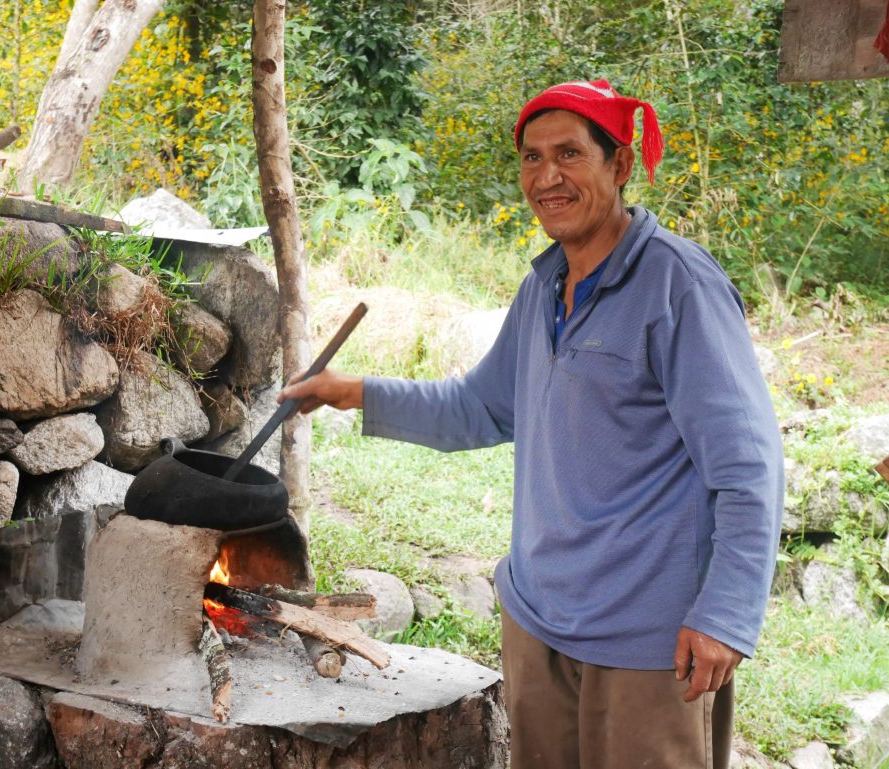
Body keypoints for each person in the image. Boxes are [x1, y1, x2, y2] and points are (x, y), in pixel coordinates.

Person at [280, 80, 783, 769]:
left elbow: (748, 464)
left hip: (648, 643)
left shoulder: (678, 287)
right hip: (539, 621)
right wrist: (349, 391)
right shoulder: (545, 284)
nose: (546, 177)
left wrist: (724, 614)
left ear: (620, 165)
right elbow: (479, 406)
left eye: (570, 154)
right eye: (531, 157)